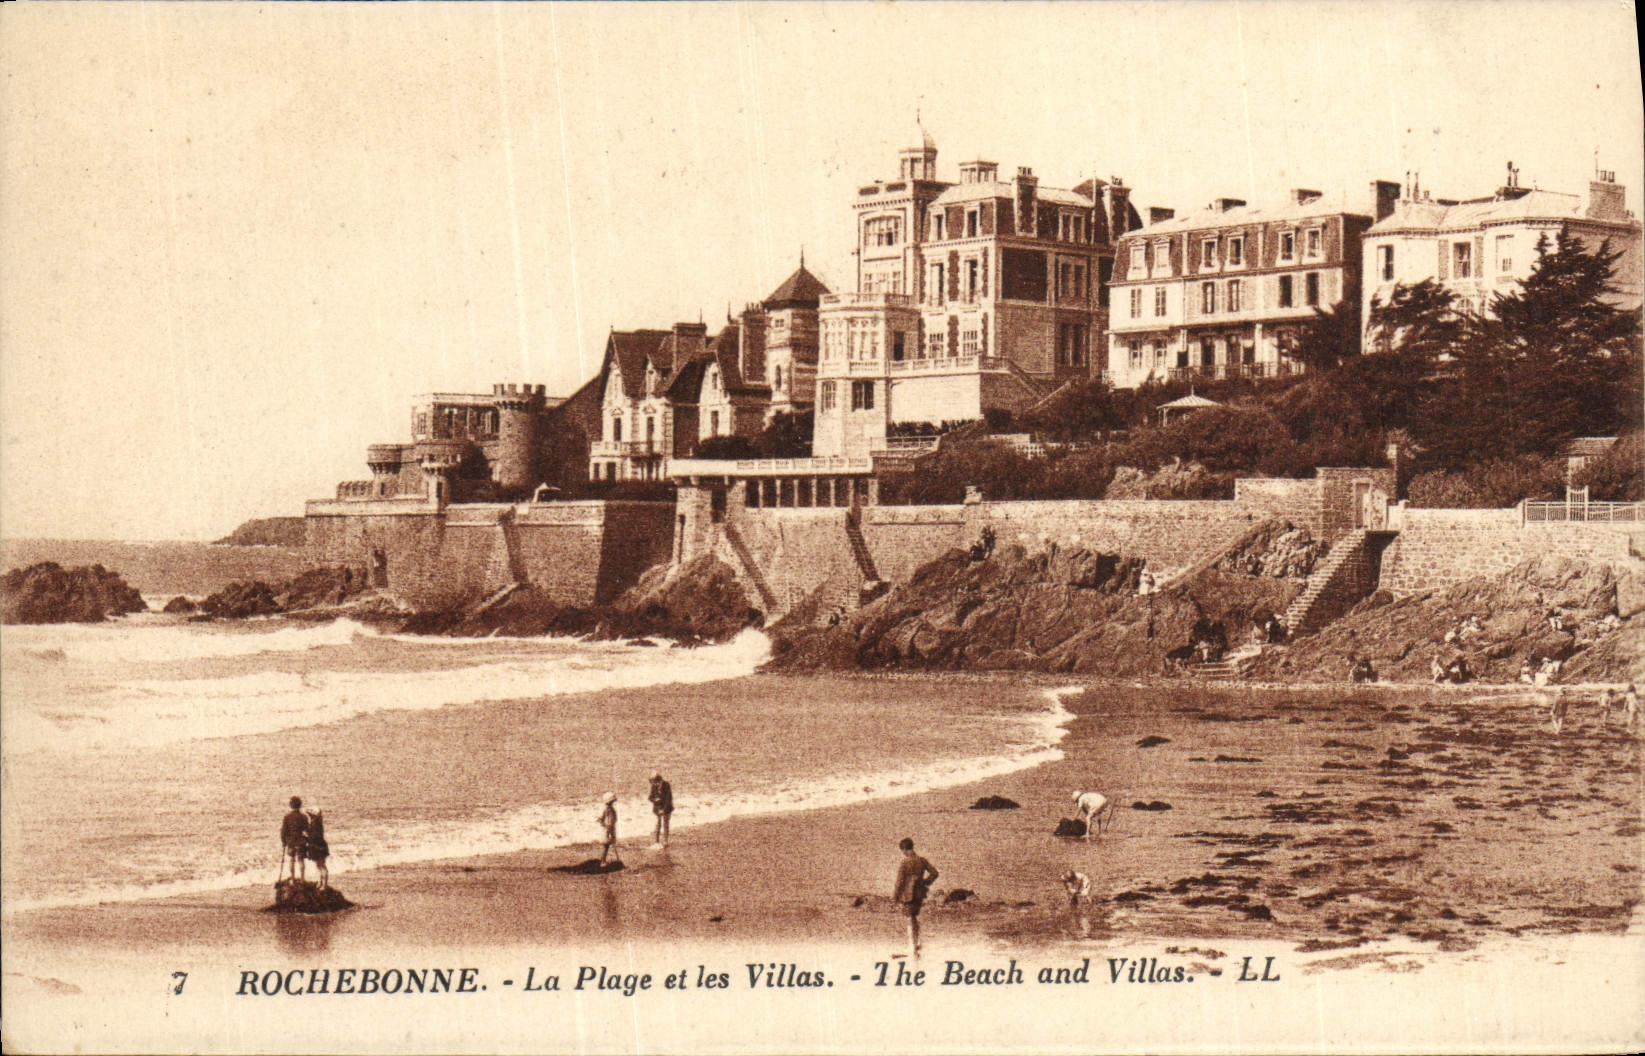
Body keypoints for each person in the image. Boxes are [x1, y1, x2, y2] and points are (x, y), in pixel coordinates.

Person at [893, 838, 939, 958]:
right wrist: (925, 882)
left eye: (902, 850)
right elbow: (935, 873)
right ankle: (917, 942)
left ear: (903, 849)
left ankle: (912, 946)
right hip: (919, 893)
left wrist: (895, 897)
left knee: (910, 919)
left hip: (908, 895)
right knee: (914, 917)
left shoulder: (905, 863)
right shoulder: (922, 860)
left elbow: (899, 882)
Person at [280, 797, 309, 882]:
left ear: (291, 805)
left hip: (291, 841)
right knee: (301, 860)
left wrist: (283, 842)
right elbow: (306, 829)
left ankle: (292, 878)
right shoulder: (303, 816)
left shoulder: (287, 817)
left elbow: (283, 831)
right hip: (301, 841)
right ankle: (302, 879)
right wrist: (307, 840)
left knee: (292, 860)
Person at [304, 808, 330, 889]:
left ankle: (323, 884)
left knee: (321, 865)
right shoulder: (317, 822)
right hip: (320, 846)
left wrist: (306, 836)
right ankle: (321, 882)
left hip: (317, 846)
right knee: (320, 865)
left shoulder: (315, 823)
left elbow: (313, 836)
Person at [1061, 870, 1092, 937]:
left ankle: (1088, 903)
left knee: (1084, 894)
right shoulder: (1063, 878)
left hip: (1083, 882)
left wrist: (1082, 891)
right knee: (1072, 894)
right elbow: (1067, 887)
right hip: (1074, 884)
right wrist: (1070, 891)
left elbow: (1085, 886)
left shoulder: (1081, 877)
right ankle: (1074, 905)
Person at [648, 773, 674, 847]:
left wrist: (664, 810)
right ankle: (656, 841)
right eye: (652, 782)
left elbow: (668, 799)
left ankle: (665, 841)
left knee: (666, 824)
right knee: (658, 824)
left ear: (659, 780)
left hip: (667, 808)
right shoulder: (653, 786)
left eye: (655, 782)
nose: (654, 784)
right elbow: (650, 797)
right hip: (658, 808)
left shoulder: (666, 785)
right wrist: (655, 800)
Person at [597, 793, 618, 866]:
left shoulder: (610, 808)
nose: (613, 802)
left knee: (608, 845)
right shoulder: (606, 809)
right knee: (606, 845)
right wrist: (605, 826)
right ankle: (602, 861)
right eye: (612, 801)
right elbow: (600, 819)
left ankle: (603, 860)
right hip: (607, 829)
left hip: (610, 827)